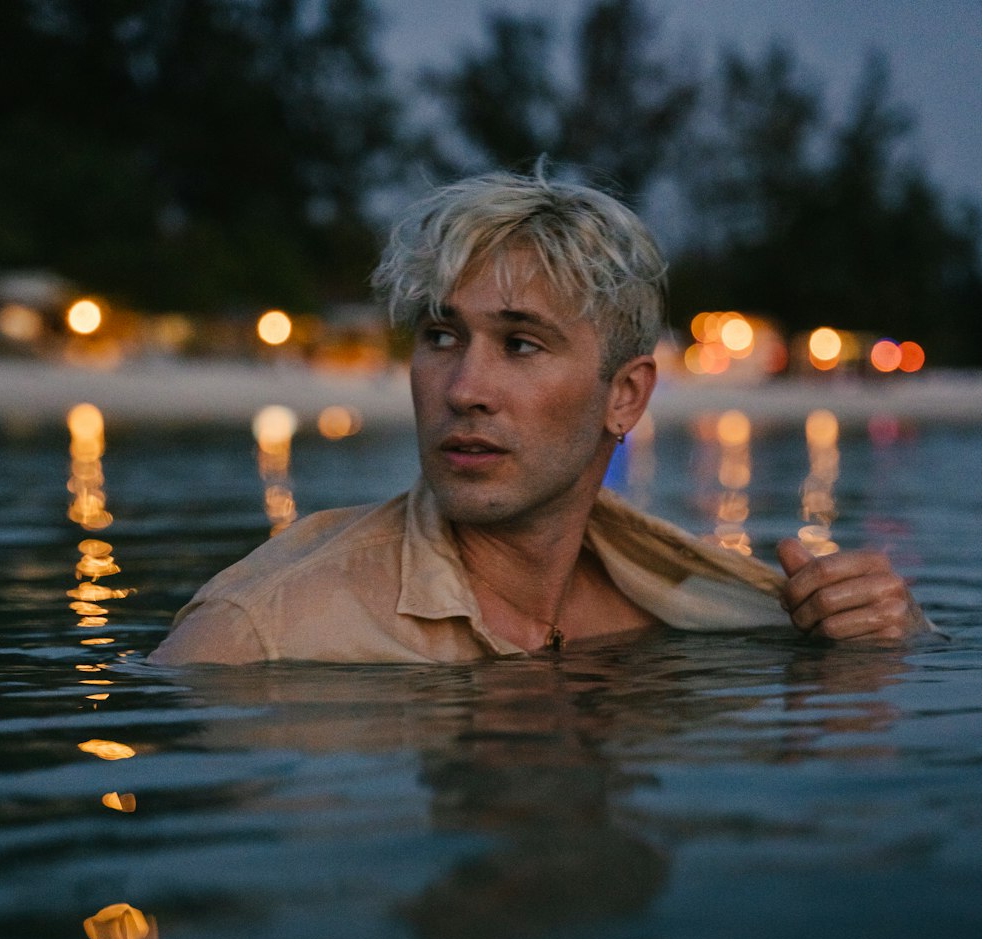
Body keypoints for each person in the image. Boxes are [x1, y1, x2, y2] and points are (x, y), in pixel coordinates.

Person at [149, 169, 927, 665]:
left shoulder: (705, 609)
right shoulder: (255, 639)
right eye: (441, 337)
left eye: (521, 343)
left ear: (626, 396)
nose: (464, 388)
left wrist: (894, 634)